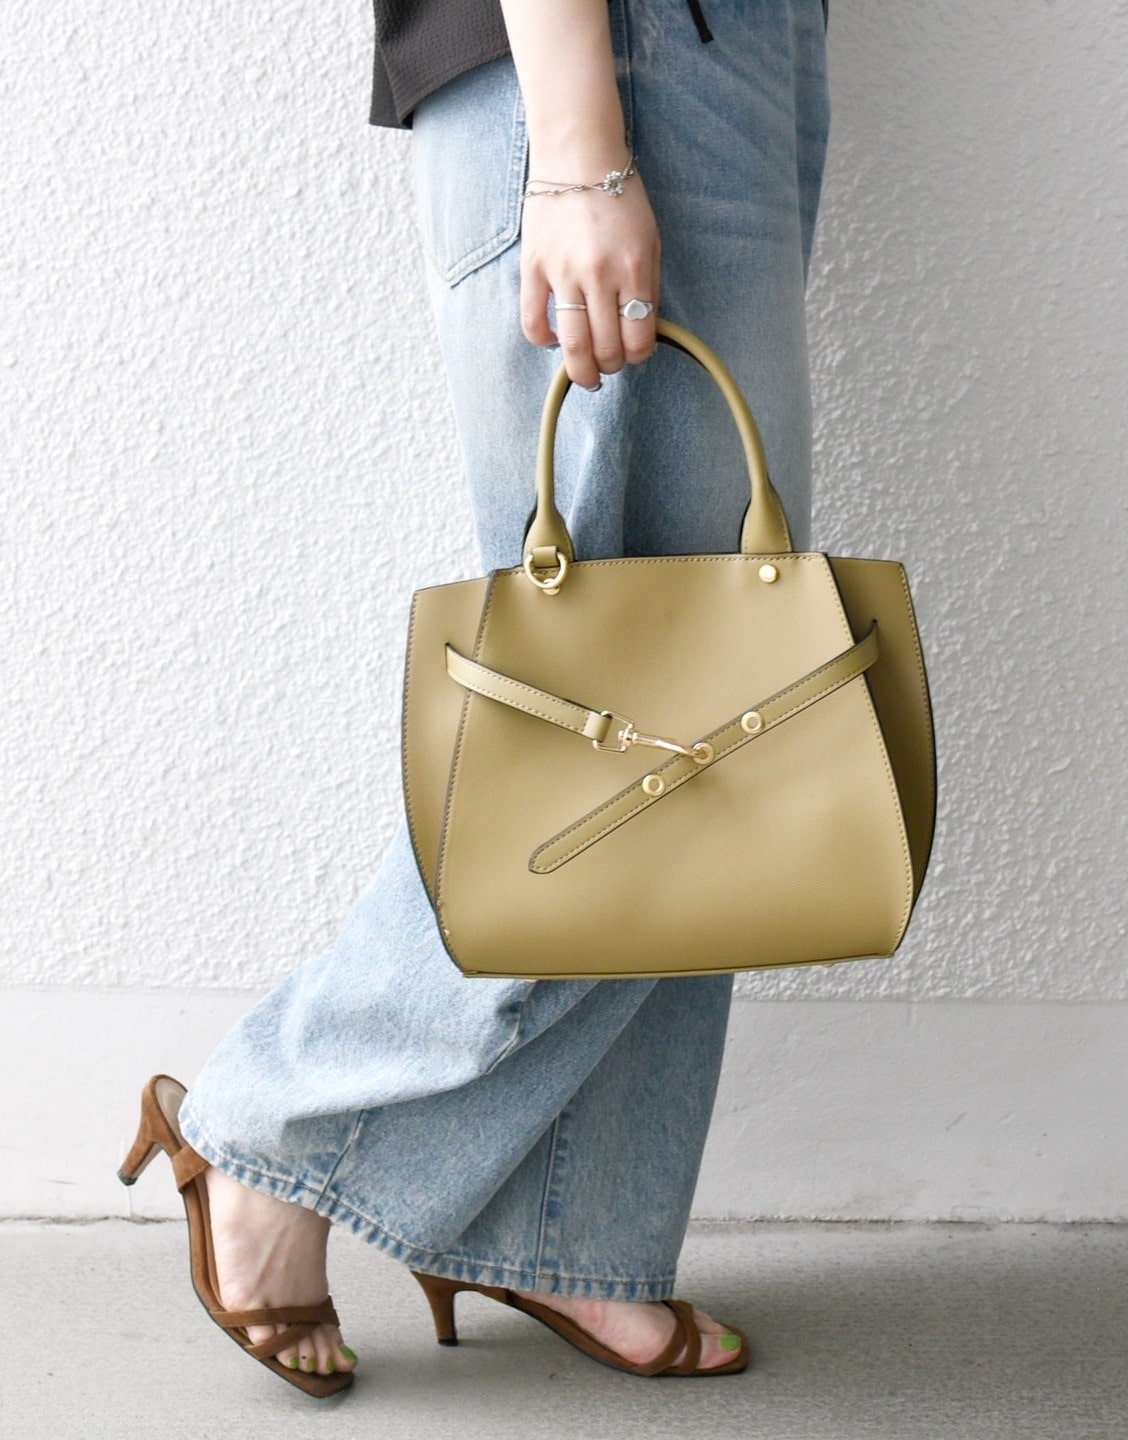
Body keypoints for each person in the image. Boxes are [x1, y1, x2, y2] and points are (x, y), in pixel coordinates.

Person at [120, 0, 830, 1397]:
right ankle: (269, 1133)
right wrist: (578, 148)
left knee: (694, 693)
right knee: (646, 709)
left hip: (729, 50)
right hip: (616, 52)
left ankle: (569, 1231)